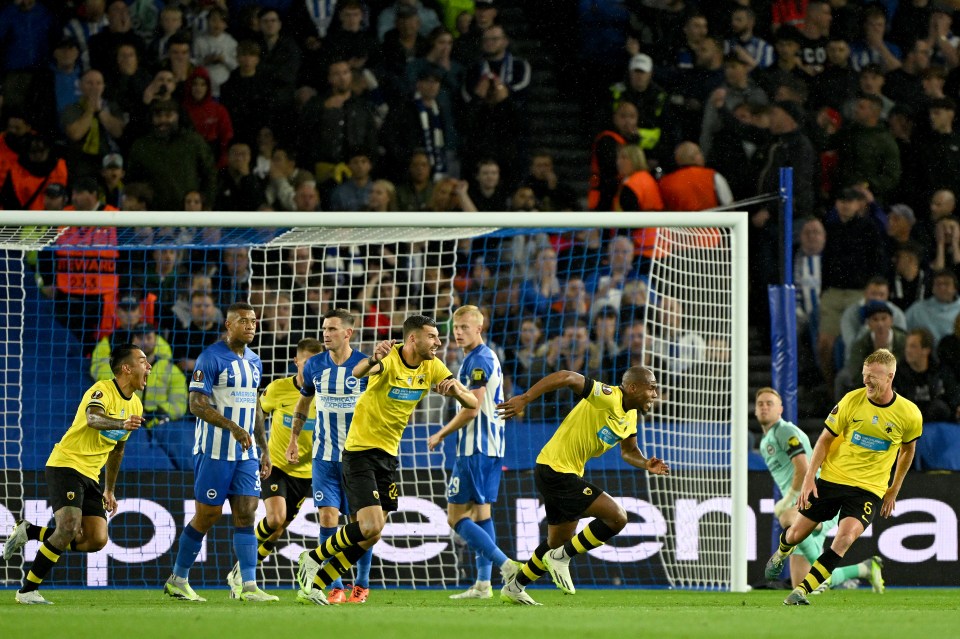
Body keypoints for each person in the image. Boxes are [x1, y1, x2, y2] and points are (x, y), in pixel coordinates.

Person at [293, 315, 478, 605]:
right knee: (369, 525)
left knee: (372, 534)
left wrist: (456, 390)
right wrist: (374, 358)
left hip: (388, 456)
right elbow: (357, 372)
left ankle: (317, 581)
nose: (439, 342)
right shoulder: (390, 358)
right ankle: (314, 557)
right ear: (413, 339)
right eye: (432, 336)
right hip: (360, 451)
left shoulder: (433, 366)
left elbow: (473, 404)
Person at [496, 367, 669, 605]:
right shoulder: (608, 396)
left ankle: (515, 586)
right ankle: (561, 558)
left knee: (556, 541)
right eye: (651, 387)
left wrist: (645, 463)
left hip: (561, 471)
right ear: (632, 387)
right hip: (556, 470)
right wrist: (524, 399)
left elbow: (629, 451)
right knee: (617, 517)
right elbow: (566, 376)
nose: (655, 393)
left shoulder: (630, 416)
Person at [764, 348, 922, 605]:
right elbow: (825, 440)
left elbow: (908, 450)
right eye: (864, 375)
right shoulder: (851, 401)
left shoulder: (909, 414)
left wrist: (893, 488)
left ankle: (802, 591)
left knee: (845, 538)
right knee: (795, 535)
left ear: (890, 376)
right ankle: (782, 551)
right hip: (832, 479)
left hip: (868, 490)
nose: (866, 381)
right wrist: (808, 479)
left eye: (873, 376)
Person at [4, 343, 150, 604]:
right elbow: (94, 419)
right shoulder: (101, 390)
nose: (149, 366)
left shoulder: (136, 405)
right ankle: (27, 591)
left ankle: (30, 531)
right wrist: (121, 423)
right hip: (67, 464)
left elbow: (118, 450)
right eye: (143, 361)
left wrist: (109, 489)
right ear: (126, 368)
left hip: (92, 476)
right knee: (69, 527)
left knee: (95, 540)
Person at [163, 302, 277, 603]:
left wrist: (264, 449)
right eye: (244, 321)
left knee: (247, 513)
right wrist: (233, 428)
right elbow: (196, 405)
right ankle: (178, 578)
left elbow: (255, 409)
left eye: (254, 321)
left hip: (245, 454)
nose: (251, 326)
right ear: (228, 325)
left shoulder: (254, 361)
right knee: (207, 516)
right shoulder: (210, 357)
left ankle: (248, 585)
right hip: (213, 451)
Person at [426, 306, 519, 599]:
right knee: (481, 515)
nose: (458, 332)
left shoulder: (478, 360)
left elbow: (472, 408)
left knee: (455, 518)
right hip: (492, 447)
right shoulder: (481, 357)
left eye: (465, 327)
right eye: (456, 327)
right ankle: (482, 584)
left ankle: (506, 565)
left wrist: (441, 433)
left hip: (475, 448)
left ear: (479, 329)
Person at [754, 387, 884, 593]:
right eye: (760, 404)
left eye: (769, 403)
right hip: (802, 499)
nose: (764, 407)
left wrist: (788, 500)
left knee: (788, 518)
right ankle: (864, 569)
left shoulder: (784, 431)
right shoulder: (766, 440)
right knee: (802, 584)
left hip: (818, 497)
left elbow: (803, 468)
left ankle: (809, 548)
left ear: (781, 408)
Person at [224, 337, 324, 597]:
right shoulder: (279, 389)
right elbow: (258, 411)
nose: (312, 369)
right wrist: (262, 448)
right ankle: (244, 573)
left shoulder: (326, 393)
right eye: (306, 364)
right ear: (296, 362)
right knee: (275, 518)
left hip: (307, 473)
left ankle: (242, 571)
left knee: (277, 530)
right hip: (277, 466)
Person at [286, 309, 373, 604]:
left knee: (360, 524)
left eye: (333, 329)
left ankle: (360, 584)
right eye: (324, 328)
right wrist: (294, 439)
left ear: (348, 333)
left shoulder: (364, 365)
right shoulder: (313, 365)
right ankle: (335, 585)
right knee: (327, 517)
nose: (326, 334)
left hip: (358, 458)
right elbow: (304, 401)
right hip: (324, 457)